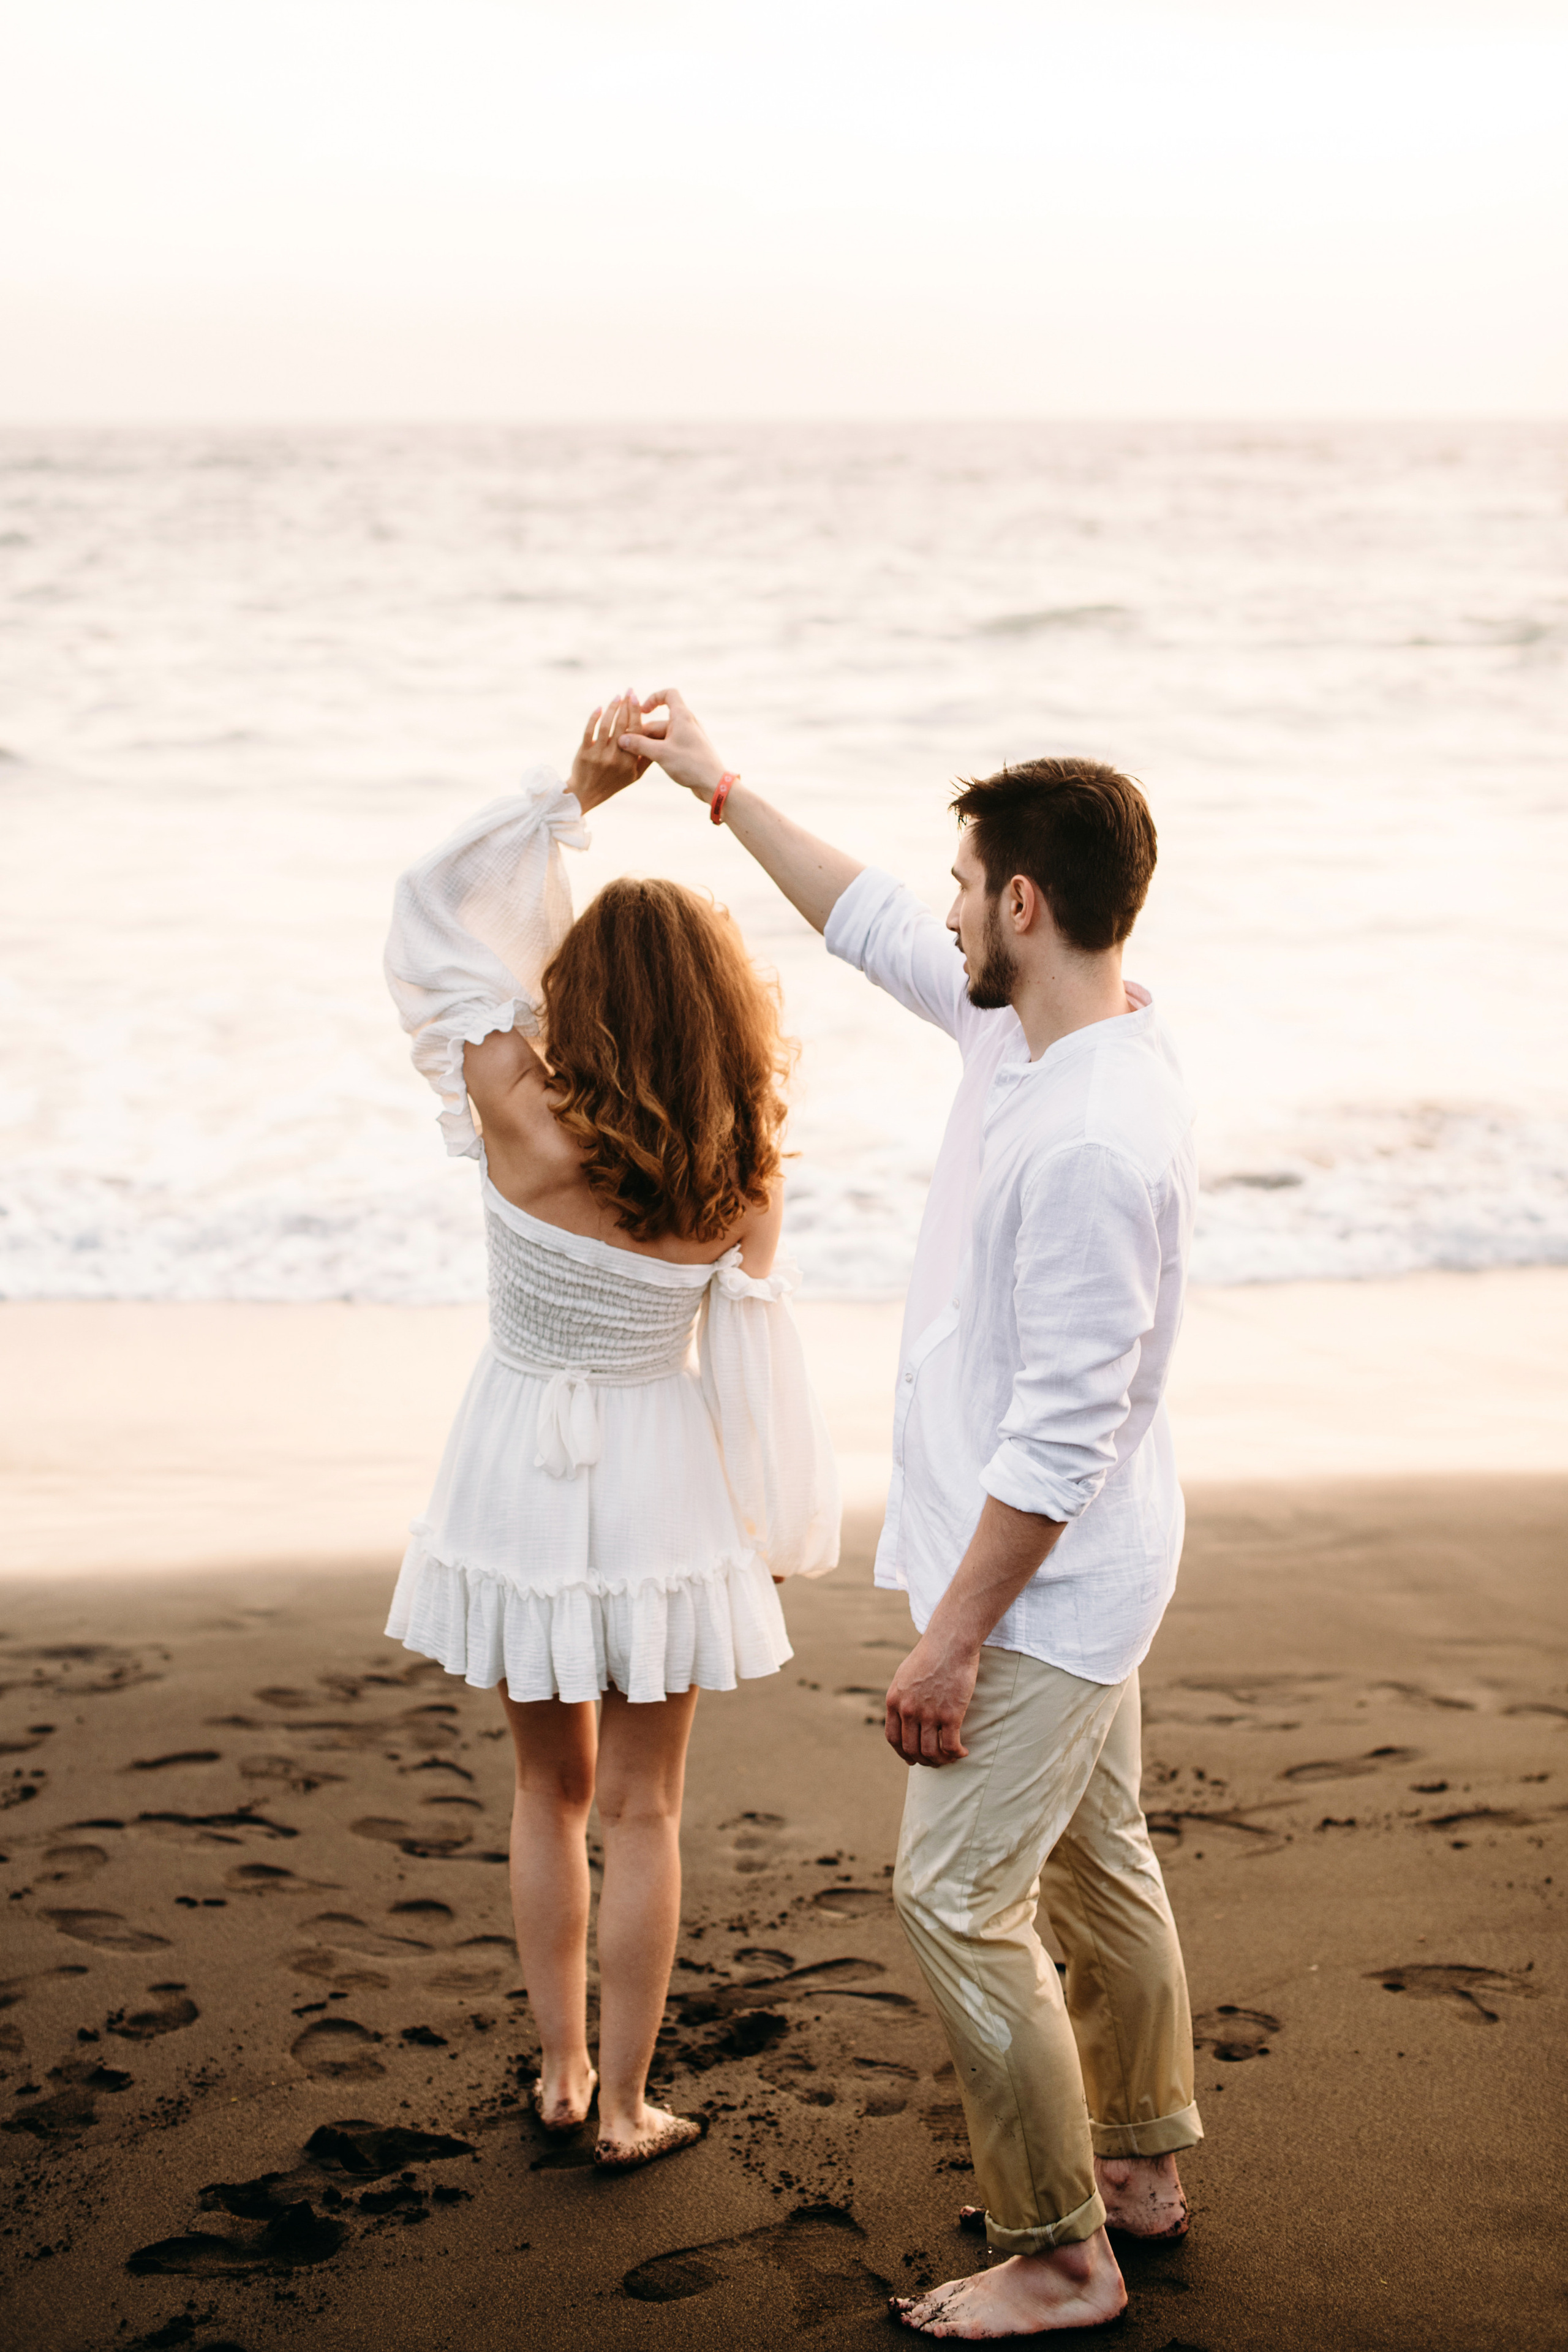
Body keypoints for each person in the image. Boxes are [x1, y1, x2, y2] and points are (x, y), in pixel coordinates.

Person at [624, 689, 1200, 2335]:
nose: (943, 905)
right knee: (1101, 1864)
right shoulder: (1050, 1032)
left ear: (1025, 906)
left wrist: (951, 1643)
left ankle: (1062, 2249)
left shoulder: (1090, 1132)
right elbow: (869, 918)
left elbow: (1065, 1433)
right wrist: (717, 787)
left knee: (954, 1899)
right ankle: (1143, 2170)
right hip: (1098, 1575)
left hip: (1044, 1590)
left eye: (967, 883)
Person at [382, 696, 839, 2171]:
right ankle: (635, 2105)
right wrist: (764, 1530)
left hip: (522, 1458)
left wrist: (567, 798)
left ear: (571, 988)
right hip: (661, 1478)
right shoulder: (744, 1160)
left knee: (546, 1788)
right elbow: (754, 1363)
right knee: (644, 1807)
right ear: (722, 1010)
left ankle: (564, 2068)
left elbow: (430, 913)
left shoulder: (513, 1103)